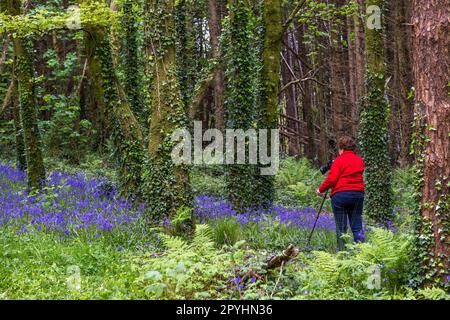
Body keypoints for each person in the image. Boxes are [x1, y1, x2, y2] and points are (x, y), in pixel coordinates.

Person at [317, 136, 365, 251]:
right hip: (358, 195)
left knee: (341, 228)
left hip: (340, 196)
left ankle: (342, 254)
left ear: (341, 148)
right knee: (357, 226)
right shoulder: (359, 160)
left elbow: (332, 179)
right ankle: (362, 254)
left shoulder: (338, 161)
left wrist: (320, 190)